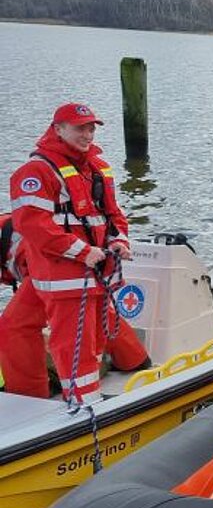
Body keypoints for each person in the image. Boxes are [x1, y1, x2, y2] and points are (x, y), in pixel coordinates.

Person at [8, 103, 134, 405]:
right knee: (40, 335)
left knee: (79, 347)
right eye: (80, 127)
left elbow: (113, 214)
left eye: (91, 127)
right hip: (61, 272)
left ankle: (83, 408)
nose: (88, 134)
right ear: (58, 129)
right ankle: (43, 402)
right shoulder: (37, 171)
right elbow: (34, 224)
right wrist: (83, 252)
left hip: (84, 271)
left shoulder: (98, 168)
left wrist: (121, 241)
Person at [0, 213, 149, 398]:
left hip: (55, 259)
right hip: (74, 251)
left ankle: (29, 398)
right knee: (90, 307)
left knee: (16, 325)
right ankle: (134, 358)